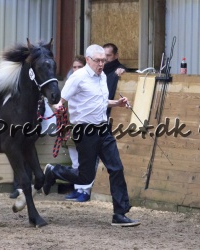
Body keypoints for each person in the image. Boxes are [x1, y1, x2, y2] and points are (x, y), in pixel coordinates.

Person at [43, 44, 140, 227]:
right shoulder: (77, 78)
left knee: (116, 168)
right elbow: (60, 101)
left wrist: (117, 103)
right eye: (98, 61)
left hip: (103, 129)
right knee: (85, 177)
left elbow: (101, 102)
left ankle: (120, 213)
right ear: (88, 60)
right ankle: (54, 171)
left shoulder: (102, 76)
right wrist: (59, 107)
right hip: (85, 131)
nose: (102, 64)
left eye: (104, 60)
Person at [64, 55, 97, 203]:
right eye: (74, 67)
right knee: (75, 159)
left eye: (79, 67)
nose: (76, 69)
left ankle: (86, 190)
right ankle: (78, 188)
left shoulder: (90, 82)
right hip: (72, 125)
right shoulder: (70, 83)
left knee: (87, 160)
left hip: (86, 124)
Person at [103, 43, 127, 118]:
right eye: (104, 55)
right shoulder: (100, 70)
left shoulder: (120, 70)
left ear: (116, 55)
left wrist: (123, 73)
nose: (105, 58)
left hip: (113, 113)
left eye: (108, 55)